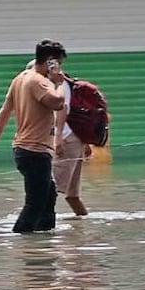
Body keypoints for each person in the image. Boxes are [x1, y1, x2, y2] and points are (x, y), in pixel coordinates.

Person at [0, 40, 67, 233]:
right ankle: (23, 241)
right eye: (59, 63)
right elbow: (58, 102)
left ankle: (44, 235)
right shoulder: (39, 81)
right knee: (35, 203)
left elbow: (5, 109)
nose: (60, 68)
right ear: (51, 62)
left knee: (49, 195)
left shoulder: (20, 78)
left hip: (24, 150)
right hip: (35, 151)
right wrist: (58, 82)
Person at [53, 75, 90, 217]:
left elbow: (62, 108)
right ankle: (82, 223)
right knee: (72, 196)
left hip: (66, 140)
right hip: (75, 139)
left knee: (49, 189)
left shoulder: (59, 86)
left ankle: (41, 222)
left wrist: (58, 139)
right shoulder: (67, 85)